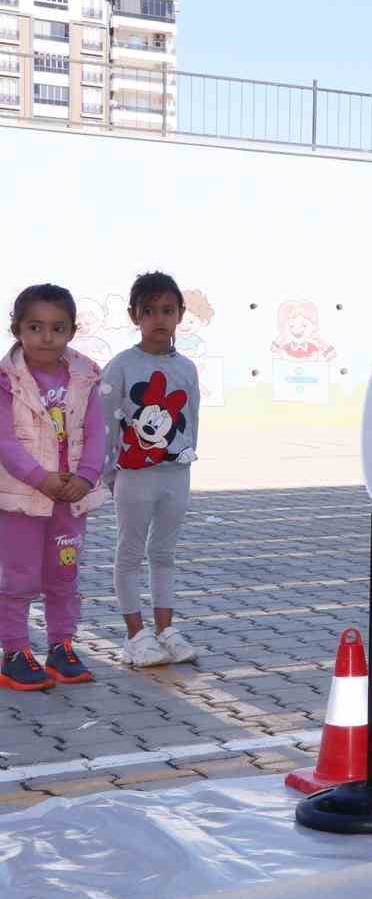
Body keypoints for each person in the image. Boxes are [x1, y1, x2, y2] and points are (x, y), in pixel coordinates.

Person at [0, 285, 108, 690]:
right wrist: (40, 478)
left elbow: (97, 432)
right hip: (22, 499)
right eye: (35, 327)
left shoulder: (86, 377)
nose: (47, 337)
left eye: (57, 328)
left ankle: (61, 647)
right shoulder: (7, 381)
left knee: (64, 575)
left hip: (70, 499)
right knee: (18, 578)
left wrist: (86, 477)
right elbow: (5, 442)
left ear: (71, 331)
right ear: (17, 330)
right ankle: (13, 652)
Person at [103, 272, 203, 667]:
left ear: (180, 315)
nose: (159, 319)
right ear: (134, 316)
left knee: (163, 553)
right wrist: (111, 475)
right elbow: (105, 424)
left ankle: (165, 630)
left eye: (168, 310)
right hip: (133, 476)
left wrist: (185, 457)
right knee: (129, 553)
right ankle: (134, 635)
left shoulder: (188, 368)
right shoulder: (122, 366)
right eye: (149, 311)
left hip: (175, 474)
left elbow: (191, 421)